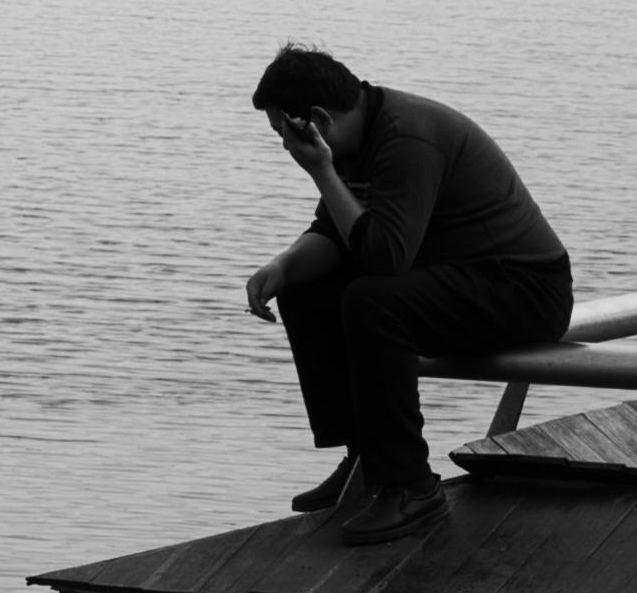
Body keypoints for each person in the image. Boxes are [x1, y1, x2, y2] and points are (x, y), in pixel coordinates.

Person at [243, 43, 573, 539]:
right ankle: (365, 462)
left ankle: (411, 487)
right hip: (462, 280)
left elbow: (384, 258)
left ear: (316, 121)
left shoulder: (406, 140)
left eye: (283, 134)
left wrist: (321, 171)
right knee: (306, 289)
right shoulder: (355, 142)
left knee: (373, 302)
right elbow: (336, 234)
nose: (285, 147)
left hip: (523, 289)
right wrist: (283, 267)